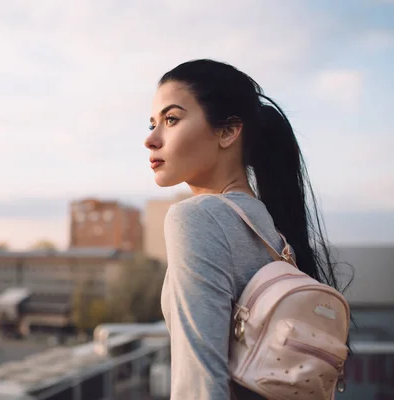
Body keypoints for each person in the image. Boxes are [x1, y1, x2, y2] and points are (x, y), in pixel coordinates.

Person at [145, 59, 346, 399]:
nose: (151, 139)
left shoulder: (197, 218)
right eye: (152, 124)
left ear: (227, 131)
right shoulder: (273, 230)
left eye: (171, 119)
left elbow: (199, 381)